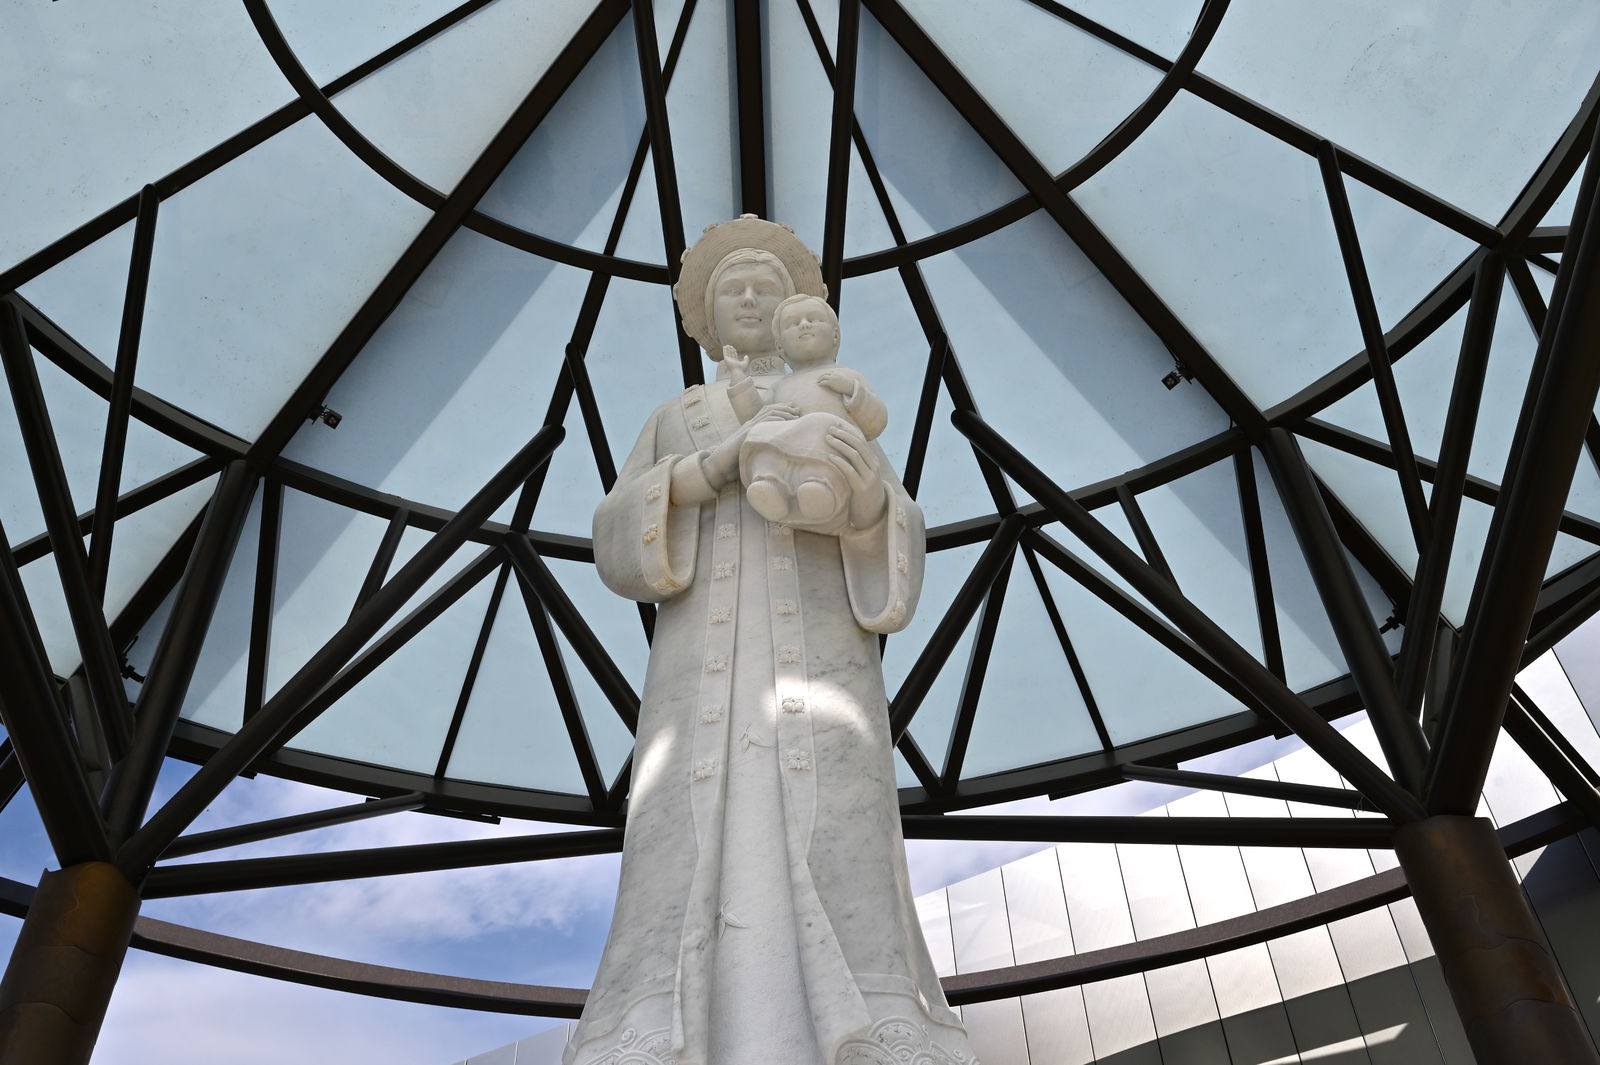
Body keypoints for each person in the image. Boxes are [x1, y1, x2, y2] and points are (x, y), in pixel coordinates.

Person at [573, 216, 976, 1065]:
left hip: (820, 662)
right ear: (709, 319)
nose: (751, 299)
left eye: (765, 287)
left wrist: (866, 506)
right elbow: (613, 532)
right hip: (698, 675)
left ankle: (862, 1030)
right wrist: (711, 470)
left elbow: (899, 526)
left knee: (835, 831)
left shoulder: (831, 396)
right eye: (733, 291)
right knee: (686, 839)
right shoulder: (676, 416)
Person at [724, 294, 890, 532]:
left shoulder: (849, 375)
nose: (804, 325)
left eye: (813, 319)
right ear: (780, 346)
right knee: (759, 433)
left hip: (828, 447)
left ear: (835, 334)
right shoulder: (781, 386)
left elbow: (876, 422)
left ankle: (819, 490)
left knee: (823, 436)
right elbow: (753, 417)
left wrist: (853, 391)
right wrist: (740, 378)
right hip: (784, 448)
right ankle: (769, 486)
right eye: (793, 323)